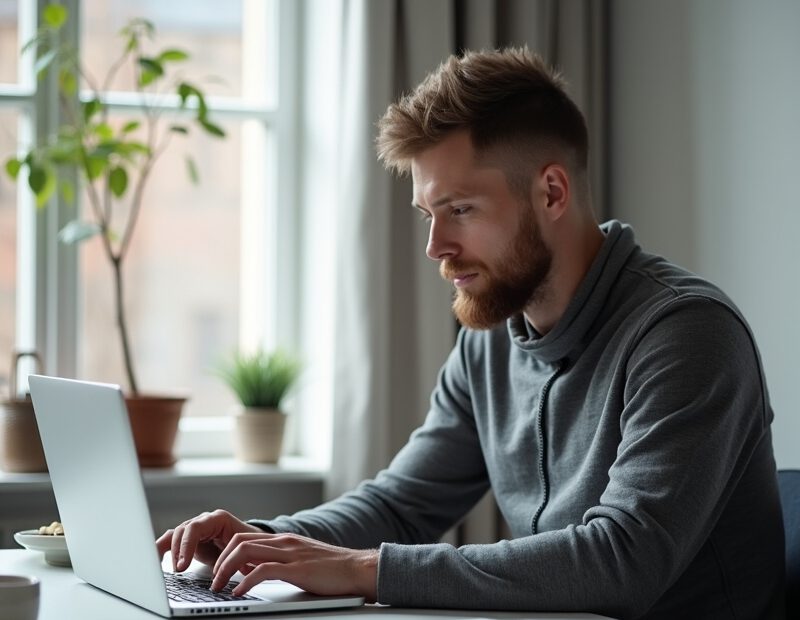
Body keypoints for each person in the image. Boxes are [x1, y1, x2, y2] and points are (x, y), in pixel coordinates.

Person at [156, 47, 785, 619]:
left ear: (552, 191)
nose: (436, 247)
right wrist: (257, 540)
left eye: (460, 210)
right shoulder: (489, 335)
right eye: (429, 214)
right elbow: (402, 504)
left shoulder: (687, 334)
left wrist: (363, 569)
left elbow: (621, 561)